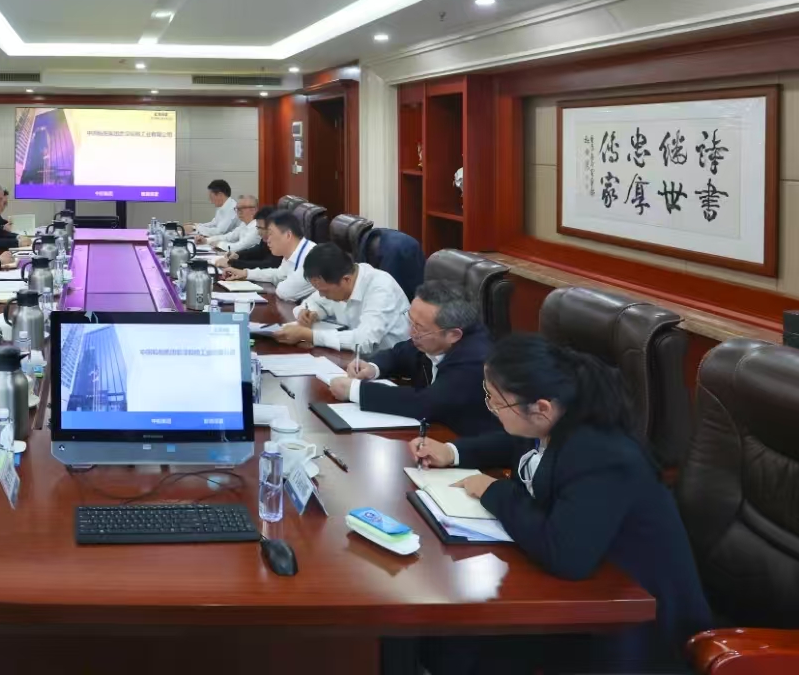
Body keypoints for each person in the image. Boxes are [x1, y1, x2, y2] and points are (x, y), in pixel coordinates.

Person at [411, 333, 711, 674]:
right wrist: (452, 452)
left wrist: (495, 492)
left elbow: (565, 556)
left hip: (630, 623)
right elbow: (511, 441)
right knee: (450, 638)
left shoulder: (602, 455)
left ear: (541, 408)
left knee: (465, 643)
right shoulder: (558, 418)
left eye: (495, 400)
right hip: (581, 593)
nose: (490, 407)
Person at [329, 280, 495, 437]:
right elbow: (399, 354)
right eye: (411, 321)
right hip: (432, 433)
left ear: (453, 335)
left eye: (419, 327)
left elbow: (427, 403)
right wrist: (372, 368)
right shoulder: (432, 339)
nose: (411, 332)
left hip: (465, 443)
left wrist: (355, 391)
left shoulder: (477, 359)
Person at [274, 243, 410, 353]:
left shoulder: (380, 288)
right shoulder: (337, 280)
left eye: (324, 291)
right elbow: (312, 303)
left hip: (392, 367)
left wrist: (309, 335)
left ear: (346, 280)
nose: (321, 295)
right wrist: (310, 313)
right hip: (355, 359)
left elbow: (364, 341)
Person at [222, 210, 314, 302]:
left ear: (288, 235)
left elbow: (285, 292)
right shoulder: (293, 252)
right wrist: (245, 273)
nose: (268, 240)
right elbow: (278, 275)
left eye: (270, 234)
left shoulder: (311, 258)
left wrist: (282, 281)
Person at [214, 205, 282, 271]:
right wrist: (238, 255)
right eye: (258, 228)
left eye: (261, 228)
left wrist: (232, 263)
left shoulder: (282, 243)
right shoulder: (267, 239)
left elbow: (268, 265)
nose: (259, 233)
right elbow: (259, 250)